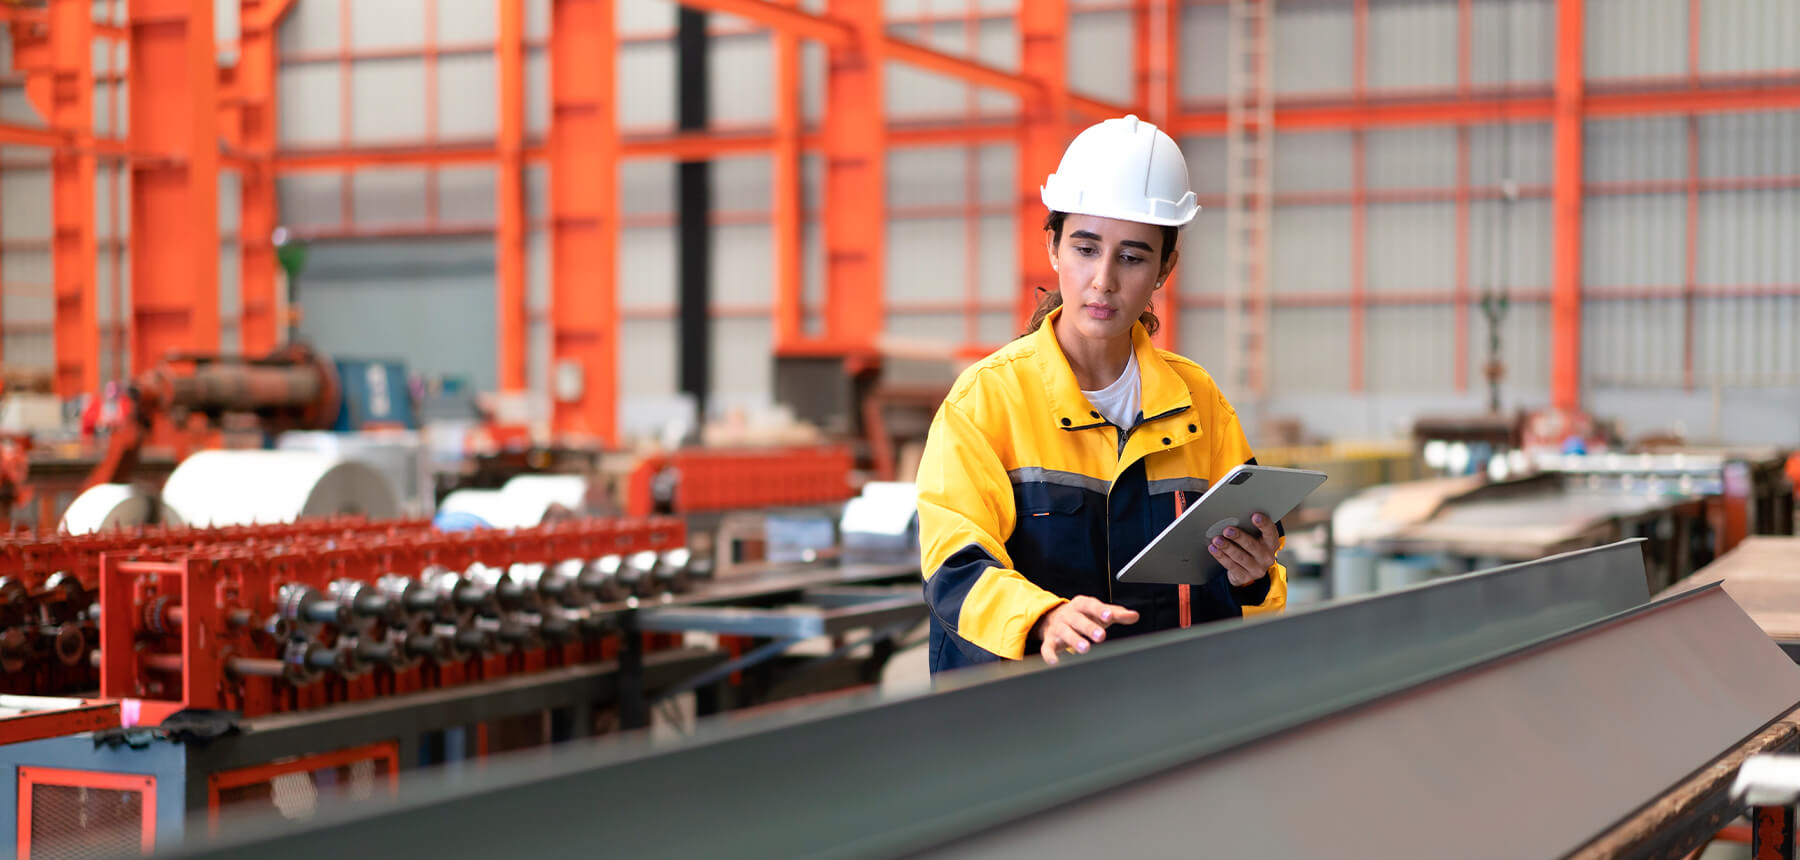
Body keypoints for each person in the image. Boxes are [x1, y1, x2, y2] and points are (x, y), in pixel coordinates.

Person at [916, 115, 1286, 674]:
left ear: (1165, 268)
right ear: (1053, 247)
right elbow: (952, 565)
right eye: (1085, 249)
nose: (1104, 280)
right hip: (1023, 719)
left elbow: (1251, 580)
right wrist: (1041, 618)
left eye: (1133, 257)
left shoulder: (1198, 402)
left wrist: (1254, 576)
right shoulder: (985, 402)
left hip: (1169, 711)